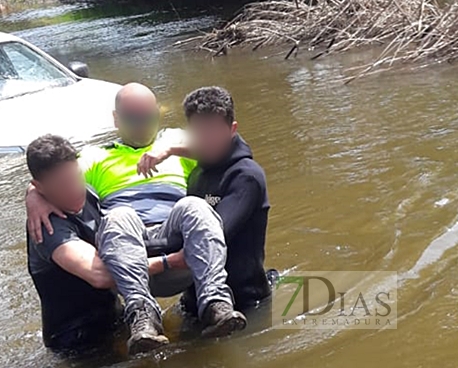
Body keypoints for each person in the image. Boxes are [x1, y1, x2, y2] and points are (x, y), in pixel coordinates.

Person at [26, 84, 246, 353]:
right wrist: (32, 196)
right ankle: (143, 317)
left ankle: (216, 304)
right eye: (132, 119)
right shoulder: (96, 156)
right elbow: (58, 177)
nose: (142, 126)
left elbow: (225, 149)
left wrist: (170, 151)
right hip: (129, 249)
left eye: (148, 118)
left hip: (177, 235)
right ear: (116, 120)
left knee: (195, 205)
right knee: (119, 215)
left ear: (158, 113)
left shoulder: (176, 141)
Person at [24, 134, 161, 353]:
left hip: (115, 317)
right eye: (62, 185)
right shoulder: (47, 228)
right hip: (76, 339)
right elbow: (101, 275)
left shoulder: (85, 193)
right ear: (39, 187)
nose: (74, 188)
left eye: (75, 177)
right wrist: (172, 261)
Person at [142, 86, 272, 312]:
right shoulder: (197, 175)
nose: (207, 140)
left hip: (243, 302)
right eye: (199, 132)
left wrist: (146, 256)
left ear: (232, 130)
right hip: (194, 300)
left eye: (213, 131)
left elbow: (207, 238)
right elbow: (179, 235)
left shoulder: (246, 177)